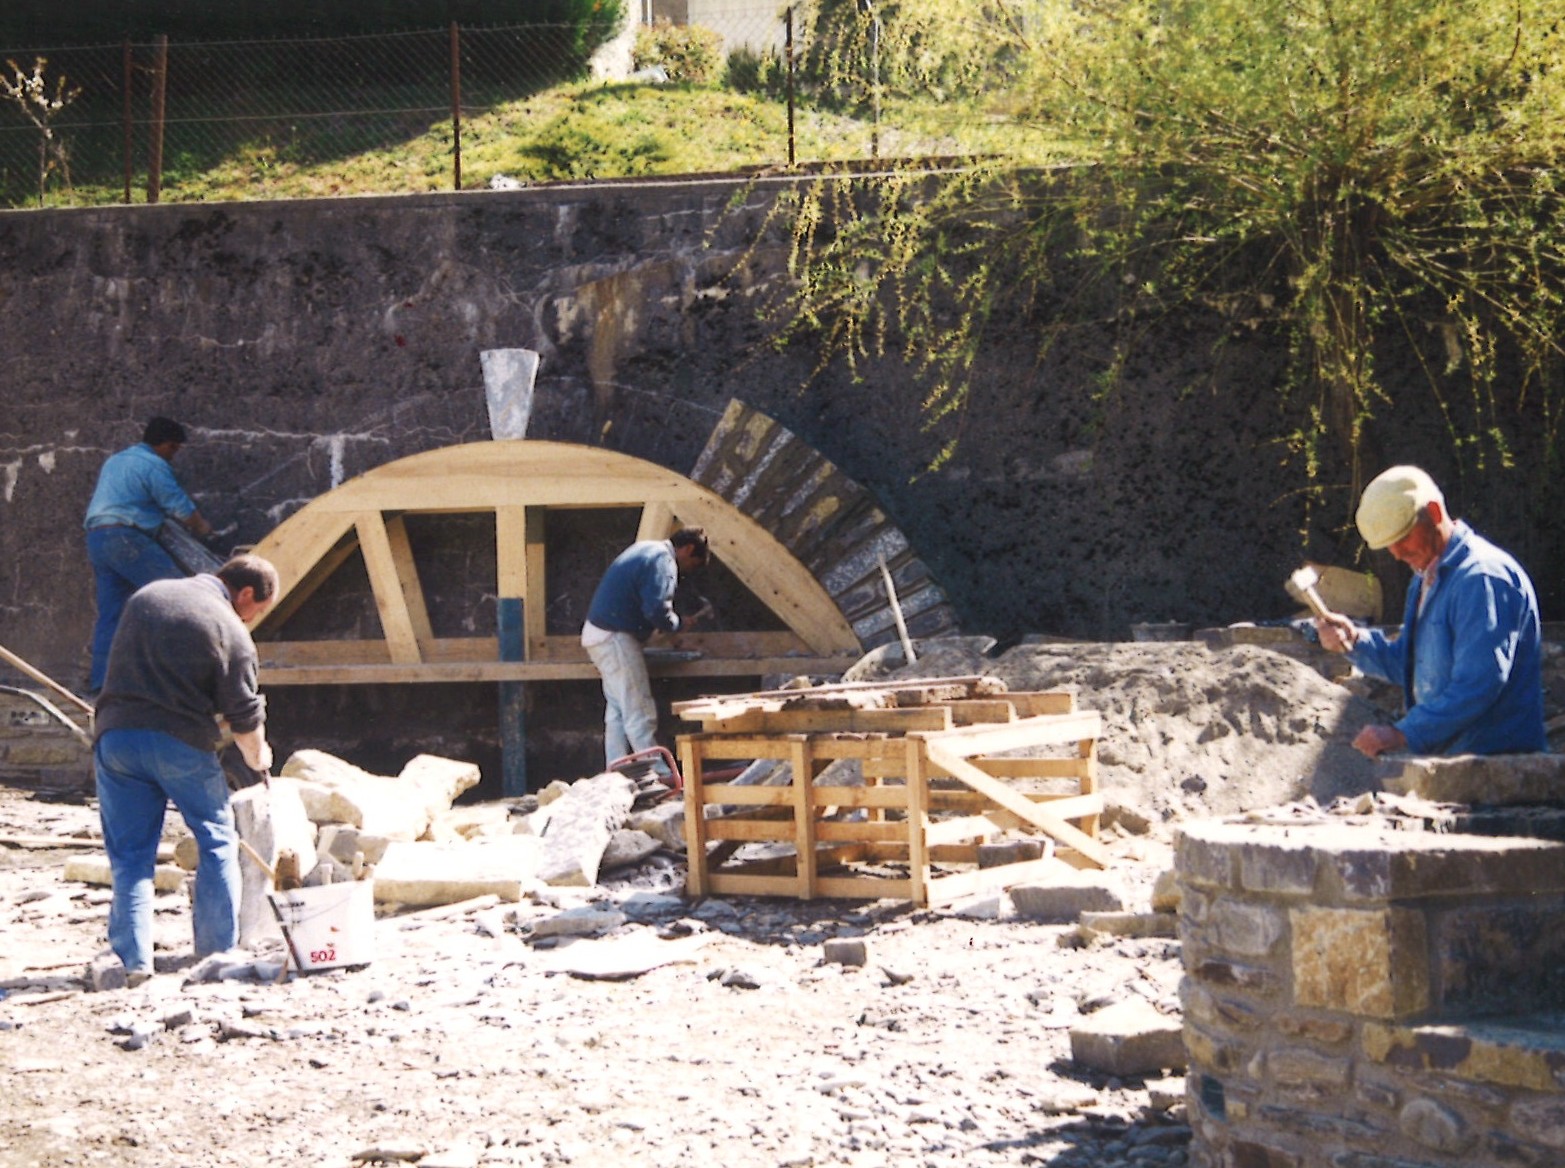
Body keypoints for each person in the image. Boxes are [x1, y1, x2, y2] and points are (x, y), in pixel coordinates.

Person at [92, 553, 278, 981]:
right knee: (216, 841)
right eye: (259, 610)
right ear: (245, 594)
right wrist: (260, 760)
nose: (254, 620)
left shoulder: (148, 596)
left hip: (116, 737)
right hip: (178, 744)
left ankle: (132, 960)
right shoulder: (231, 631)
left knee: (131, 855)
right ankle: (214, 954)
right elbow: (245, 717)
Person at [1314, 465, 1546, 759]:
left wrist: (1403, 733)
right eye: (1388, 546)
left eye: (1403, 538)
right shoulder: (1427, 577)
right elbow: (1413, 666)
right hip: (1454, 764)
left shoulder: (1482, 577)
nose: (1397, 554)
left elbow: (1478, 684)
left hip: (1498, 767)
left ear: (1435, 513)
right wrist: (1356, 641)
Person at [83, 417, 214, 695]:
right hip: (126, 538)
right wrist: (202, 527)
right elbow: (177, 505)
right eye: (174, 449)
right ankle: (186, 674)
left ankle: (102, 685)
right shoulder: (153, 465)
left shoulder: (116, 461)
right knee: (181, 597)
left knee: (113, 613)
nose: (173, 455)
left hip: (98, 538)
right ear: (165, 444)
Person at [581, 526, 709, 767]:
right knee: (639, 710)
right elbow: (656, 608)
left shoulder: (645, 549)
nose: (687, 571)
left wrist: (671, 626)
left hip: (598, 635)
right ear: (688, 549)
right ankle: (657, 775)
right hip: (615, 637)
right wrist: (676, 624)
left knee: (619, 710)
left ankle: (616, 771)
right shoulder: (664, 561)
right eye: (693, 564)